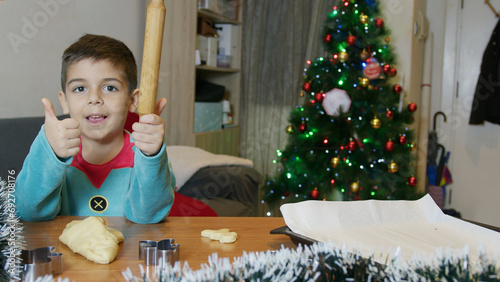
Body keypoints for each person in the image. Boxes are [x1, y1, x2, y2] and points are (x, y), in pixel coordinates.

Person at [14, 34, 175, 224]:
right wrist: (50, 152)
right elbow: (28, 211)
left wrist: (152, 156)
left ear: (132, 100)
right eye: (80, 89)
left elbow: (148, 216)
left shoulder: (145, 153)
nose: (94, 98)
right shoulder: (54, 151)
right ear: (64, 101)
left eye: (109, 88)